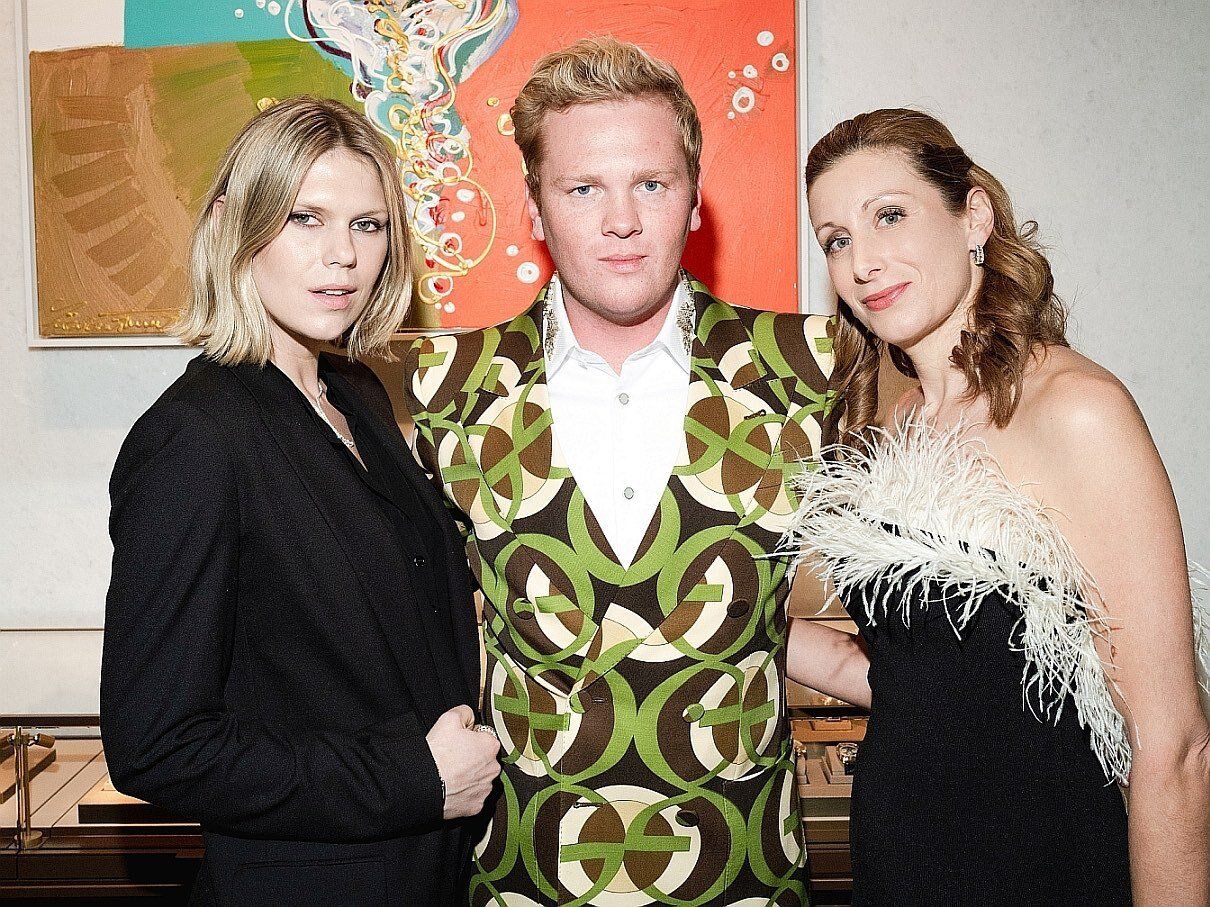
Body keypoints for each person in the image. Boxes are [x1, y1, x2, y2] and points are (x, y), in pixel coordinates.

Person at [404, 37, 868, 906]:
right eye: (583, 189)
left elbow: (903, 615)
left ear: (694, 198)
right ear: (535, 207)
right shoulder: (446, 386)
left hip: (743, 877)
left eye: (651, 184)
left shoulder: (808, 368)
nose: (621, 221)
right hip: (527, 878)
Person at [788, 107, 1210, 906]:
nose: (862, 261)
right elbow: (921, 682)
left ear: (973, 216)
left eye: (889, 215)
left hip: (1039, 868)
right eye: (836, 239)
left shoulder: (1076, 409)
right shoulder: (894, 426)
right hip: (900, 864)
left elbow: (1177, 748)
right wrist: (718, 622)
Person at [101, 96, 500, 906]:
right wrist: (410, 776)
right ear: (233, 225)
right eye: (305, 218)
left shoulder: (357, 396)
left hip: (431, 873)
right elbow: (156, 745)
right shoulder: (195, 437)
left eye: (367, 225)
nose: (342, 255)